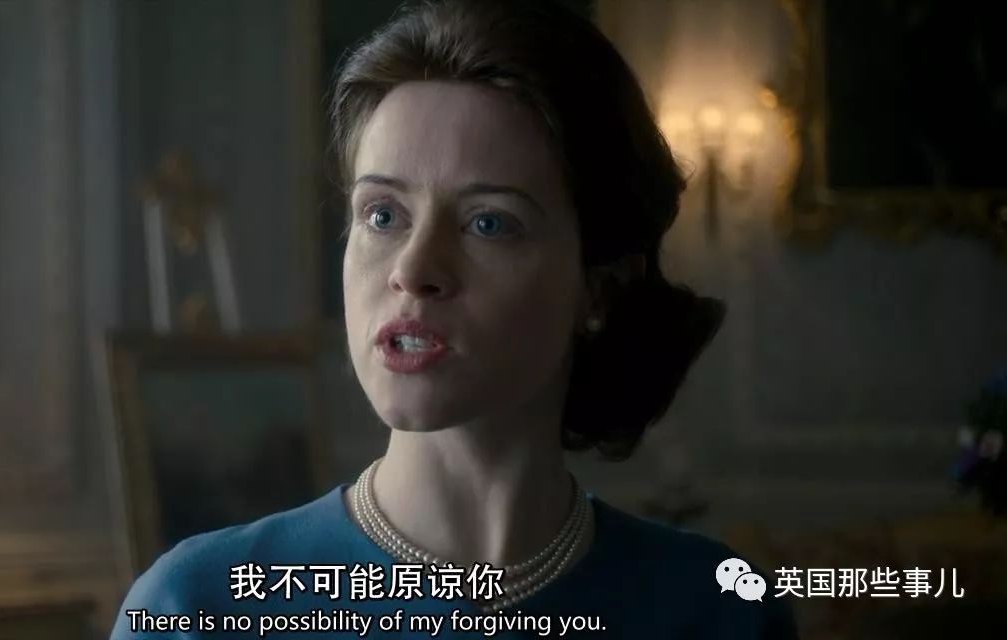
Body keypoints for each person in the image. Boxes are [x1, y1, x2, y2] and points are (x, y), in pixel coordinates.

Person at [112, 0, 797, 637]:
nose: (414, 269)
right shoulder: (197, 606)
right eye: (383, 214)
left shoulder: (713, 609)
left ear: (599, 288)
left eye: (488, 223)